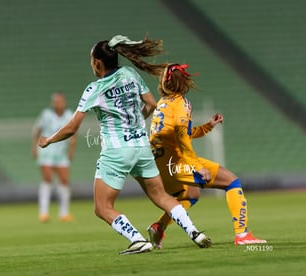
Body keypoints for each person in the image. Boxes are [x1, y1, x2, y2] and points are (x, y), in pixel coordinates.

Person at [38, 35, 212, 254]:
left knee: (102, 207)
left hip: (117, 152)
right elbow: (151, 103)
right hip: (141, 147)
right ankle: (195, 232)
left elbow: (72, 127)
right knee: (161, 197)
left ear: (97, 63)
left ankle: (138, 240)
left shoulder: (94, 89)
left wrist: (48, 140)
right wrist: (137, 121)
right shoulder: (130, 74)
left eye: (91, 60)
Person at [147, 63, 267, 249]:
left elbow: (180, 132)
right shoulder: (181, 103)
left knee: (191, 194)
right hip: (176, 163)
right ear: (184, 82)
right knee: (232, 182)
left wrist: (208, 126)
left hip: (159, 165)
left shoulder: (163, 104)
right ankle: (242, 234)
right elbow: (181, 137)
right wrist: (196, 166)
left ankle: (159, 227)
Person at [32, 93, 76, 222]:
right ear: (53, 103)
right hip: (46, 151)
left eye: (60, 101)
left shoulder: (69, 115)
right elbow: (37, 131)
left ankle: (64, 213)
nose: (58, 104)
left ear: (64, 102)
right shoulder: (46, 114)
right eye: (56, 102)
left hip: (61, 153)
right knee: (47, 179)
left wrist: (71, 150)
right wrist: (34, 147)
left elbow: (73, 133)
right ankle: (43, 213)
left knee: (64, 180)